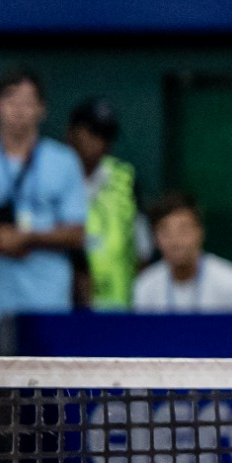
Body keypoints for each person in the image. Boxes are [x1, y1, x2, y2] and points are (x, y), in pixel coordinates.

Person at [0, 72, 87, 323]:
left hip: (48, 300)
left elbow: (76, 233)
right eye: (11, 100)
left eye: (27, 102)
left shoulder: (64, 161)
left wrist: (26, 238)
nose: (19, 110)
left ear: (41, 110)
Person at [131, 193, 232, 313]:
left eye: (184, 230)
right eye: (166, 232)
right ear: (155, 238)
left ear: (200, 232)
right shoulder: (145, 287)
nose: (175, 240)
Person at [65, 98, 137, 312]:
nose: (100, 142)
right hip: (63, 307)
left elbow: (140, 249)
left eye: (106, 135)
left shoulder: (125, 179)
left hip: (117, 307)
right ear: (72, 133)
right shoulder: (51, 176)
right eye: (92, 133)